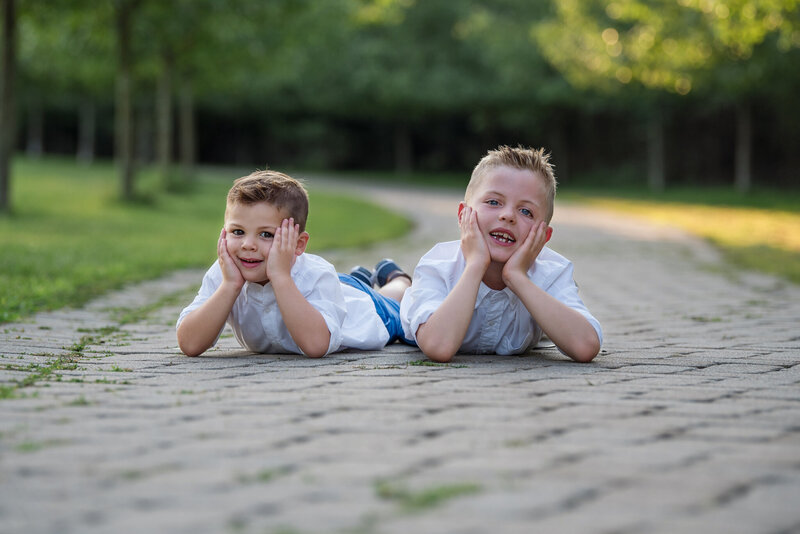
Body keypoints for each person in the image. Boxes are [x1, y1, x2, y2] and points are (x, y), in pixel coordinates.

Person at [176, 170, 413, 357]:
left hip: (365, 308)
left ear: (299, 244)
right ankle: (359, 278)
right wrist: (229, 287)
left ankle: (396, 278)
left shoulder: (317, 275)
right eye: (238, 231)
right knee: (346, 287)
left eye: (266, 234)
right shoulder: (225, 274)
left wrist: (280, 278)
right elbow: (190, 343)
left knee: (394, 304)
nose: (248, 244)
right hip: (334, 291)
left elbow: (316, 345)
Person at [400, 145, 602, 363]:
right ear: (463, 215)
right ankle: (395, 279)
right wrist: (475, 265)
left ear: (543, 236)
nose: (507, 216)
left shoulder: (552, 272)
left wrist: (516, 277)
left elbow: (585, 346)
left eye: (526, 211)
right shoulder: (439, 265)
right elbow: (438, 346)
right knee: (393, 302)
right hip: (404, 317)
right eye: (493, 202)